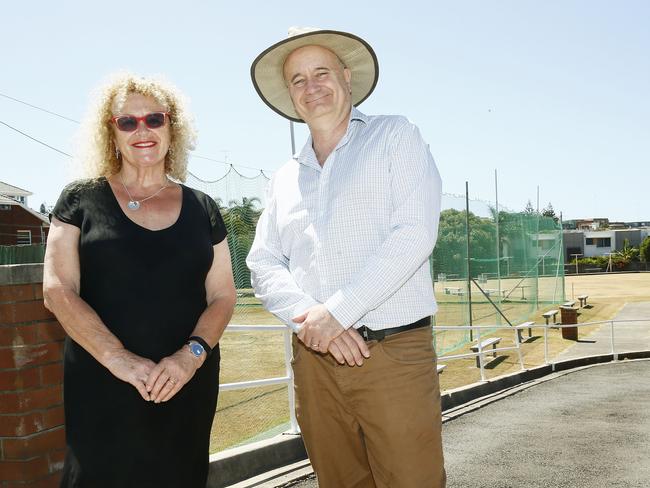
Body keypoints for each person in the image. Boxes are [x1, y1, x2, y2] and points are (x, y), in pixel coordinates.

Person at [247, 28, 446, 488]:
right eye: (297, 80)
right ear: (290, 97)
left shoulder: (395, 135)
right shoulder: (283, 177)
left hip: (393, 354)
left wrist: (336, 313)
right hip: (315, 360)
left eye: (321, 72)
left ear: (347, 78)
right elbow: (263, 262)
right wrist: (312, 322)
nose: (311, 86)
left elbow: (415, 234)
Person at [43, 73, 236, 488]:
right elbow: (57, 290)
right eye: (127, 122)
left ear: (173, 128)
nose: (142, 130)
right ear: (111, 132)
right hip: (102, 381)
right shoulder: (81, 199)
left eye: (154, 118)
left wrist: (191, 356)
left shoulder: (203, 208)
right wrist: (119, 359)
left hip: (185, 381)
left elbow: (222, 295)